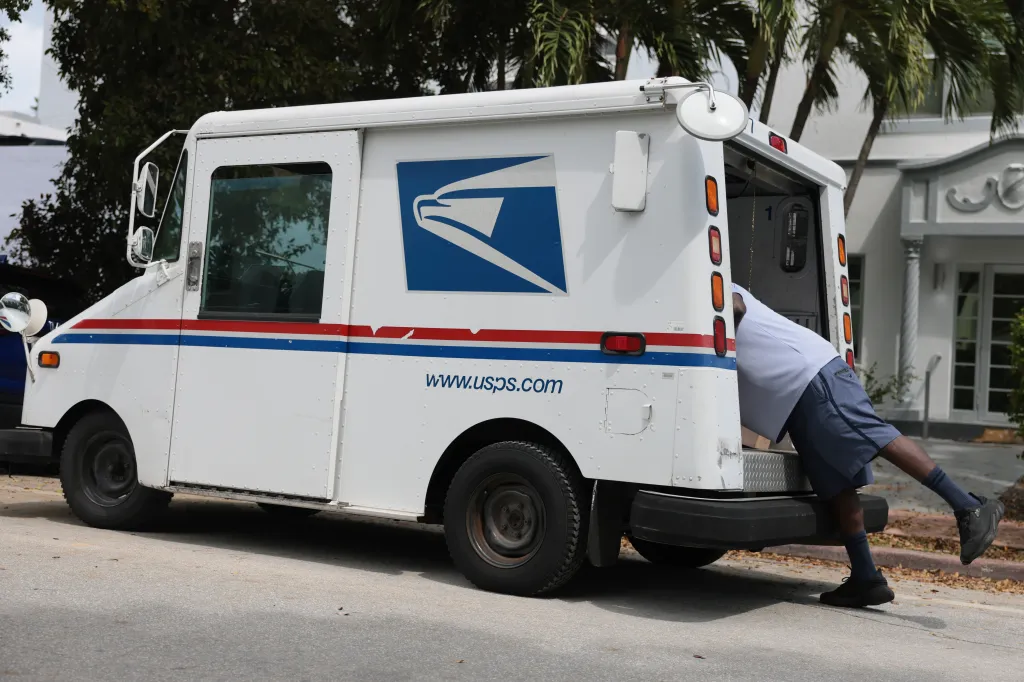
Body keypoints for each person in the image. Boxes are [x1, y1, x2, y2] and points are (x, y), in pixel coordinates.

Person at [731, 283, 1005, 608]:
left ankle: (970, 507)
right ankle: (866, 578)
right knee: (836, 484)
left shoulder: (709, 283)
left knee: (873, 436)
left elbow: (734, 307)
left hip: (810, 378)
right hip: (795, 399)